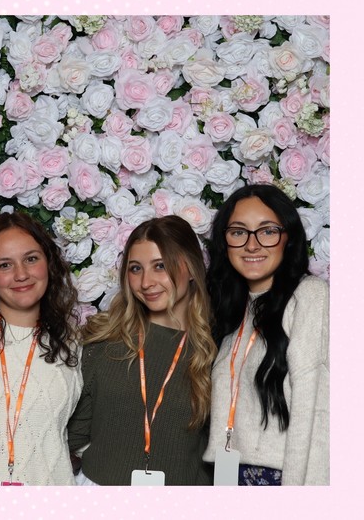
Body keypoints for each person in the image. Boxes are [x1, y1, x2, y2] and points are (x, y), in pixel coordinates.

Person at [68, 215, 215, 485]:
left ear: (192, 269)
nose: (146, 282)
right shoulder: (104, 343)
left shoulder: (214, 350)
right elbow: (73, 433)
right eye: (135, 269)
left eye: (160, 266)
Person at [203, 185, 328, 485]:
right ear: (225, 242)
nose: (252, 244)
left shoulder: (309, 296)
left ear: (288, 238)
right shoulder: (234, 309)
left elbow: (316, 413)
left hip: (279, 478)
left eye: (267, 231)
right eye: (238, 232)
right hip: (226, 474)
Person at [0, 212, 81, 485]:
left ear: (48, 263)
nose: (21, 274)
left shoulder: (75, 346)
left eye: (31, 259)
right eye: (4, 265)